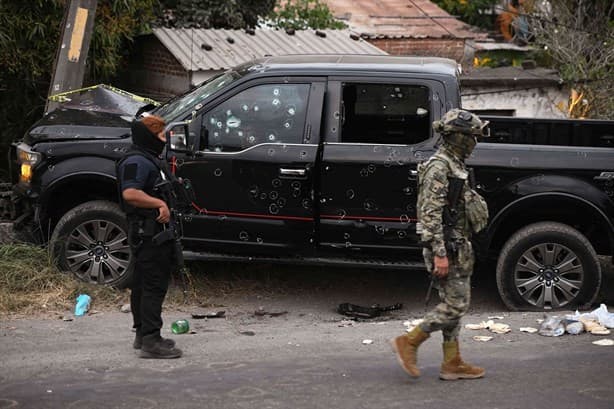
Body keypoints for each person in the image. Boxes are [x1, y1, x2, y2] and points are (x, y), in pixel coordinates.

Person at [391, 109, 490, 380]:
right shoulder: (440, 166)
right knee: (456, 306)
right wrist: (440, 254)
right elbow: (429, 214)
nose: (475, 143)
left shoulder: (455, 164)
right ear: (459, 137)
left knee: (452, 304)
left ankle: (452, 362)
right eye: (472, 137)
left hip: (459, 245)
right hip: (447, 248)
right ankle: (409, 341)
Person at [117, 115, 183, 359]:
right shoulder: (137, 161)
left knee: (143, 284)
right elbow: (131, 193)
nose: (164, 140)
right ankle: (151, 341)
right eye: (161, 135)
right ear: (149, 136)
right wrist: (159, 204)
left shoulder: (146, 159)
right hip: (149, 234)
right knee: (153, 286)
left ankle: (143, 334)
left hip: (149, 233)